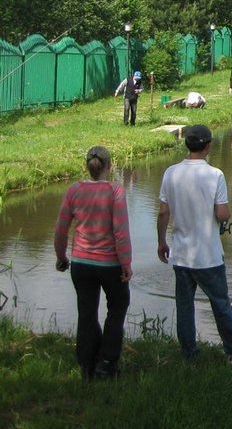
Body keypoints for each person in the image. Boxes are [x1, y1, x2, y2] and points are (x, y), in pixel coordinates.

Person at [157, 125, 232, 364]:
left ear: (187, 144)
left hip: (180, 255)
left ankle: (189, 354)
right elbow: (221, 214)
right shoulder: (215, 175)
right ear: (208, 145)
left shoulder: (171, 173)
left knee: (185, 307)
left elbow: (163, 213)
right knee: (221, 305)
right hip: (208, 256)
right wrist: (227, 214)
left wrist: (161, 242)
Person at [54, 146, 132, 380]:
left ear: (87, 166)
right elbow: (120, 232)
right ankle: (106, 363)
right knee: (117, 309)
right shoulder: (115, 191)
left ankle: (87, 364)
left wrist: (61, 257)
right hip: (110, 265)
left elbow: (61, 228)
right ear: (110, 166)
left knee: (86, 313)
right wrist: (126, 264)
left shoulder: (74, 190)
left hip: (81, 263)